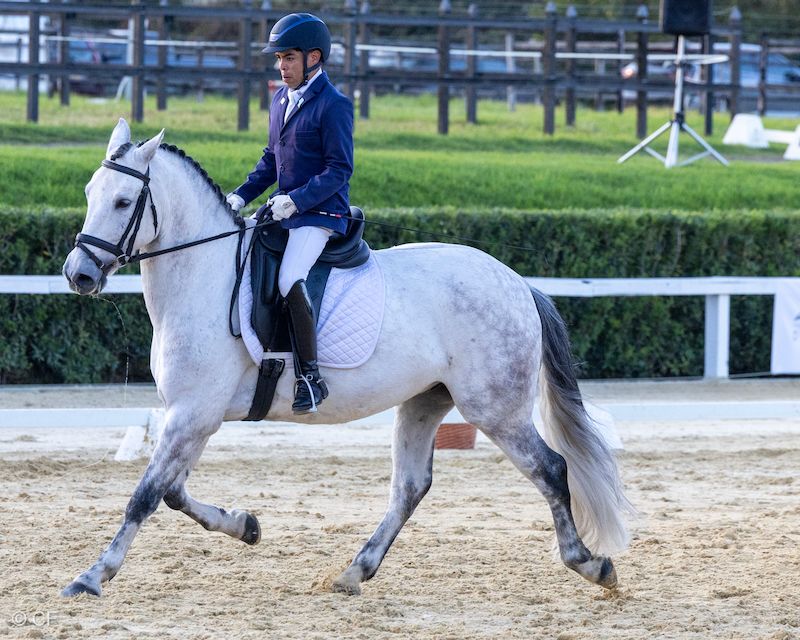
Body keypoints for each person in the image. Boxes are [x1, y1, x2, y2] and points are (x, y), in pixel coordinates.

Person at [226, 13, 354, 414]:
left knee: (289, 277)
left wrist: (297, 200)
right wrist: (240, 195)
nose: (282, 66)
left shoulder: (334, 105)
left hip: (321, 216)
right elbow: (271, 159)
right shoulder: (280, 99)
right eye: (279, 58)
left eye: (290, 58)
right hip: (285, 211)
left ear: (314, 57)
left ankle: (311, 378)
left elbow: (339, 169)